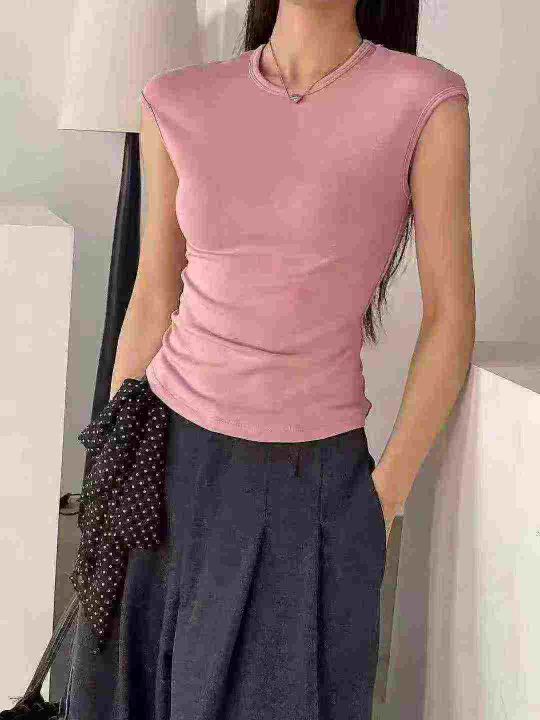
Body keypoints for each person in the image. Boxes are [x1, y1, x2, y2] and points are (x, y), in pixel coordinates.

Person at [59, 1, 475, 718]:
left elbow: (451, 316)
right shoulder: (177, 99)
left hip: (310, 481)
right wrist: (108, 474)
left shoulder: (424, 101)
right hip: (162, 461)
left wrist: (384, 496)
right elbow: (153, 295)